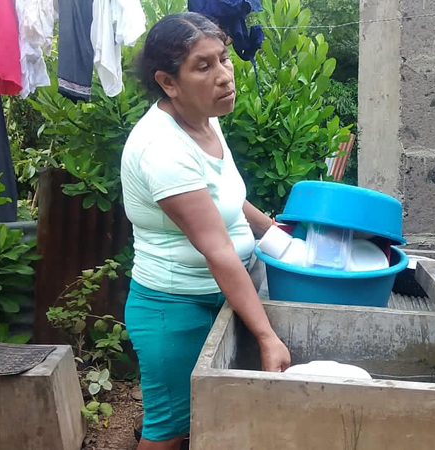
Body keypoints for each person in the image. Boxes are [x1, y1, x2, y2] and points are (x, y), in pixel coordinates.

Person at [120, 12, 291, 450]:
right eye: (203, 66)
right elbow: (217, 249)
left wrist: (276, 234)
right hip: (175, 309)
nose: (224, 75)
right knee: (169, 429)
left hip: (218, 298)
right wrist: (267, 336)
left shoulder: (204, 119)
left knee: (207, 416)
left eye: (224, 58)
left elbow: (224, 198)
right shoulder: (162, 149)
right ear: (168, 82)